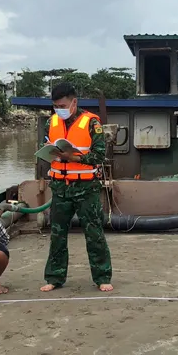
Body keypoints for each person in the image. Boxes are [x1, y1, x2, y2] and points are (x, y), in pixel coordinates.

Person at [39, 82, 113, 293]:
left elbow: (99, 156)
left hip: (86, 188)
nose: (58, 110)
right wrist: (48, 151)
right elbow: (47, 144)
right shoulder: (51, 122)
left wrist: (72, 157)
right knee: (57, 234)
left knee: (94, 233)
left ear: (74, 103)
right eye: (55, 106)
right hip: (60, 187)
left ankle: (102, 276)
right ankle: (54, 277)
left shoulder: (92, 123)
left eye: (62, 105)